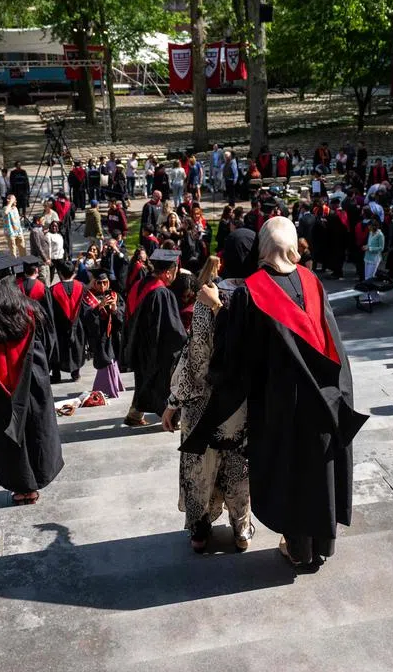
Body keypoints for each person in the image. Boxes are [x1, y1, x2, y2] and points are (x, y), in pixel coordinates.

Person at [195, 217, 367, 571]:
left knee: (292, 474)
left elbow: (237, 352)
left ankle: (298, 549)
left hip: (283, 403)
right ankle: (322, 547)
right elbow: (333, 338)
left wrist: (216, 308)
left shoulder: (252, 291)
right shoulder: (312, 280)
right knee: (321, 470)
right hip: (326, 395)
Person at [162, 228, 258, 553]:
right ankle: (241, 529)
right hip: (242, 407)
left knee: (200, 469)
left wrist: (174, 401)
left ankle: (200, 532)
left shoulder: (208, 297)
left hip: (204, 404)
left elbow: (194, 356)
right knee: (238, 469)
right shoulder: (259, 299)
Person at [0, 252, 63, 505]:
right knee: (34, 429)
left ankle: (21, 487)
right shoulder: (30, 310)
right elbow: (48, 346)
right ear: (12, 282)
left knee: (5, 436)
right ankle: (35, 481)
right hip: (31, 381)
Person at [121, 248, 188, 427]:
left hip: (138, 345)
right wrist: (187, 338)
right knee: (164, 383)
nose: (175, 276)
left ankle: (134, 415)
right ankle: (172, 419)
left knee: (143, 381)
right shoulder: (162, 293)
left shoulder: (139, 285)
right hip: (156, 348)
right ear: (167, 273)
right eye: (174, 272)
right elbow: (172, 329)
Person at [81, 269, 125, 398]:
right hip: (99, 335)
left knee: (113, 359)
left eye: (105, 282)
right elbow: (86, 317)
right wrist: (99, 307)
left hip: (113, 334)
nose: (102, 286)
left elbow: (123, 315)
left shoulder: (115, 295)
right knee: (105, 360)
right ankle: (105, 388)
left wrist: (115, 309)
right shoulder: (88, 297)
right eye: (99, 283)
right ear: (93, 283)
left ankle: (115, 385)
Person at [48, 261, 87, 382]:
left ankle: (56, 374)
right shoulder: (82, 287)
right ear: (74, 273)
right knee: (77, 347)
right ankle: (76, 374)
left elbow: (51, 311)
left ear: (59, 273)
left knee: (59, 348)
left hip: (60, 326)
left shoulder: (53, 290)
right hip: (78, 324)